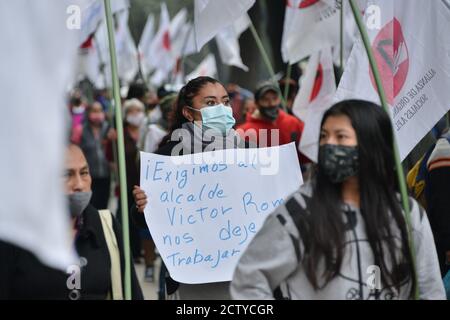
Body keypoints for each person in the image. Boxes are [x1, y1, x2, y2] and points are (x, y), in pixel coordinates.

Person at [230, 100, 445, 300]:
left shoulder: (405, 213)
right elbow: (249, 281)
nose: (328, 144)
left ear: (371, 145)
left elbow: (430, 288)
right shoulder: (300, 212)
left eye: (340, 137)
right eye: (324, 136)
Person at [132, 76, 251, 299]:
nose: (222, 109)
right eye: (210, 103)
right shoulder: (166, 157)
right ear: (188, 113)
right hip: (191, 278)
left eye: (225, 102)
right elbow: (142, 220)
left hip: (240, 276)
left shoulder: (248, 153)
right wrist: (142, 205)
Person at [0, 144, 143, 299]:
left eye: (84, 173)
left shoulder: (106, 227)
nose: (79, 185)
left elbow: (132, 291)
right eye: (67, 174)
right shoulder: (15, 234)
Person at [237, 81, 306, 165]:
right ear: (256, 103)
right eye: (266, 99)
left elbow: (305, 154)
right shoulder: (243, 131)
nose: (271, 103)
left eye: (274, 98)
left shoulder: (293, 123)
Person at [80, 102, 116, 209]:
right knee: (91, 205)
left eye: (99, 110)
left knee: (103, 205)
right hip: (89, 176)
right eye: (94, 111)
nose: (97, 114)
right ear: (88, 113)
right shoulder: (82, 130)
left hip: (106, 174)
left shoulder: (108, 128)